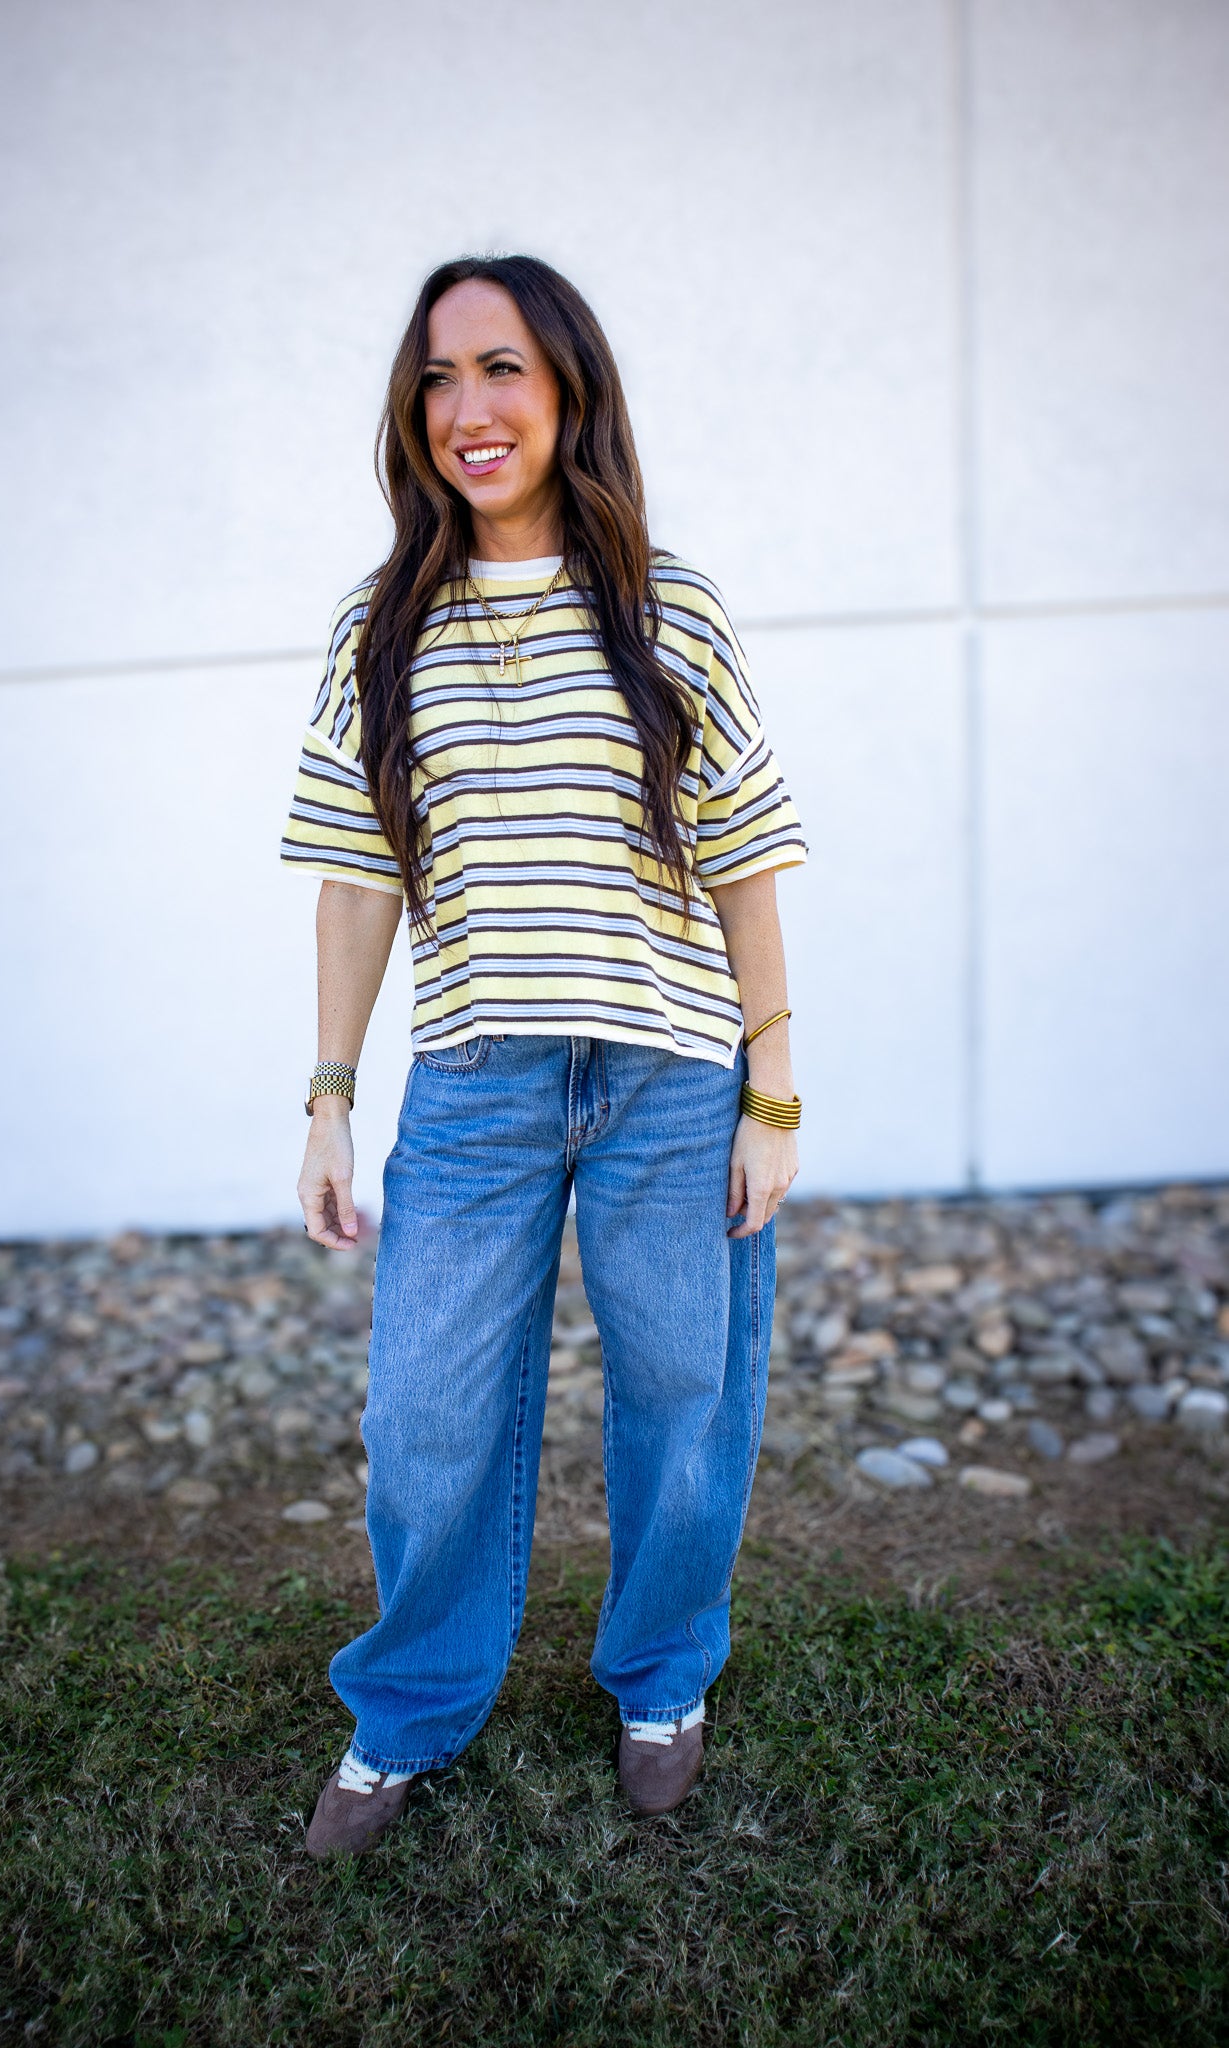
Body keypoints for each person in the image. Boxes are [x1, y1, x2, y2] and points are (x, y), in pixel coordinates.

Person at [281, 255, 807, 1859]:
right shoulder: (381, 625)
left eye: (500, 367)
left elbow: (745, 856)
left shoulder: (667, 606)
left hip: (668, 1076)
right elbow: (356, 874)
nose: (468, 408)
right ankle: (408, 1707)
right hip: (476, 1082)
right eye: (437, 378)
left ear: (568, 389)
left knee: (681, 1397)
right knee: (424, 1416)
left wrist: (773, 1091)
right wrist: (329, 1098)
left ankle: (662, 1677)